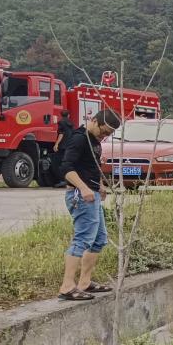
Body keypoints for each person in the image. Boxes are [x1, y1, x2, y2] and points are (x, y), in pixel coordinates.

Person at [57, 108, 121, 301]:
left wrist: (99, 185)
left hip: (92, 194)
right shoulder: (79, 138)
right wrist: (84, 188)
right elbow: (66, 168)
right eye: (103, 131)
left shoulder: (94, 141)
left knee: (99, 239)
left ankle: (84, 282)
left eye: (108, 134)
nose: (104, 136)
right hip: (80, 195)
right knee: (83, 239)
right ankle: (67, 286)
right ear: (93, 120)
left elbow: (92, 167)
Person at [50, 109, 76, 187]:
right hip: (70, 146)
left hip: (62, 146)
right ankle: (69, 180)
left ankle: (62, 180)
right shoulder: (72, 124)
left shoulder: (61, 122)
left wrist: (56, 144)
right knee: (67, 163)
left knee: (57, 163)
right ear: (68, 115)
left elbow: (61, 134)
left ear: (61, 115)